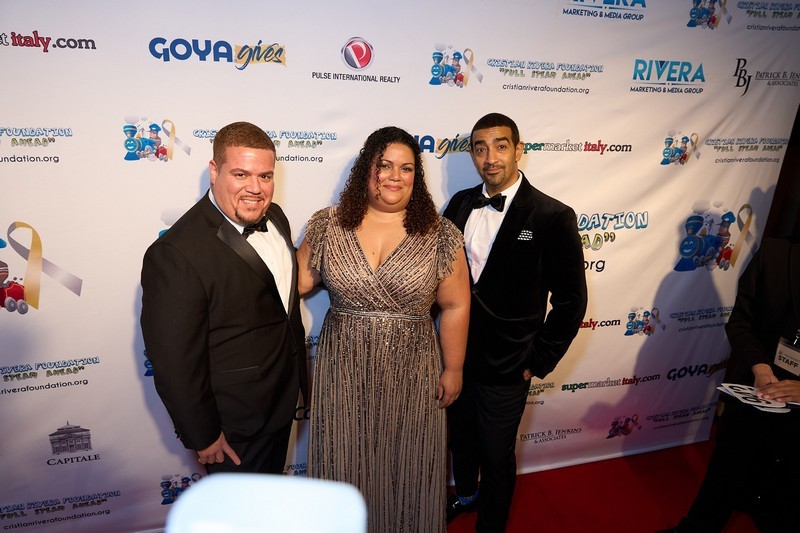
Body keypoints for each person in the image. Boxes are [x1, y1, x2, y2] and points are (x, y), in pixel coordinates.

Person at [297, 126, 470, 532]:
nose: (395, 176)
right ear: (366, 171)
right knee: (343, 456)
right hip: (343, 370)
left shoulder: (439, 234)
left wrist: (454, 368)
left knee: (409, 465)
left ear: (416, 177)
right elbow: (296, 283)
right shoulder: (328, 225)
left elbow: (456, 304)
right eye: (384, 165)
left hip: (412, 371)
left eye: (406, 168)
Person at [443, 113, 587, 532]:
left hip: (509, 364)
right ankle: (465, 495)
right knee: (461, 439)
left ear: (519, 150)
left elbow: (571, 301)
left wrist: (537, 360)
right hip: (455, 356)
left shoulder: (552, 215)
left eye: (501, 146)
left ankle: (491, 526)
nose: (490, 157)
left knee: (495, 453)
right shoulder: (460, 204)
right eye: (480, 148)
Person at [140, 121, 307, 474]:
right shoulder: (175, 254)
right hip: (233, 428)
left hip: (282, 405)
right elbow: (174, 362)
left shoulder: (276, 217)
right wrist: (203, 435)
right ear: (214, 170)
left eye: (265, 176)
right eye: (241, 174)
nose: (255, 189)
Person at [663, 237, 800, 532]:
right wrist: (760, 368)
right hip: (756, 390)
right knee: (723, 478)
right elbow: (740, 320)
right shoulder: (775, 253)